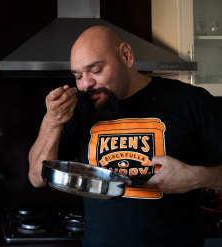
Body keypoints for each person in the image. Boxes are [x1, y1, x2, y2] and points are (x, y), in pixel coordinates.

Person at [28, 25, 222, 247]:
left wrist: (196, 177)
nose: (85, 84)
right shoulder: (78, 108)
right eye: (78, 76)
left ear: (126, 56)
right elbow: (36, 177)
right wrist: (52, 121)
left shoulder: (190, 101)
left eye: (96, 70)